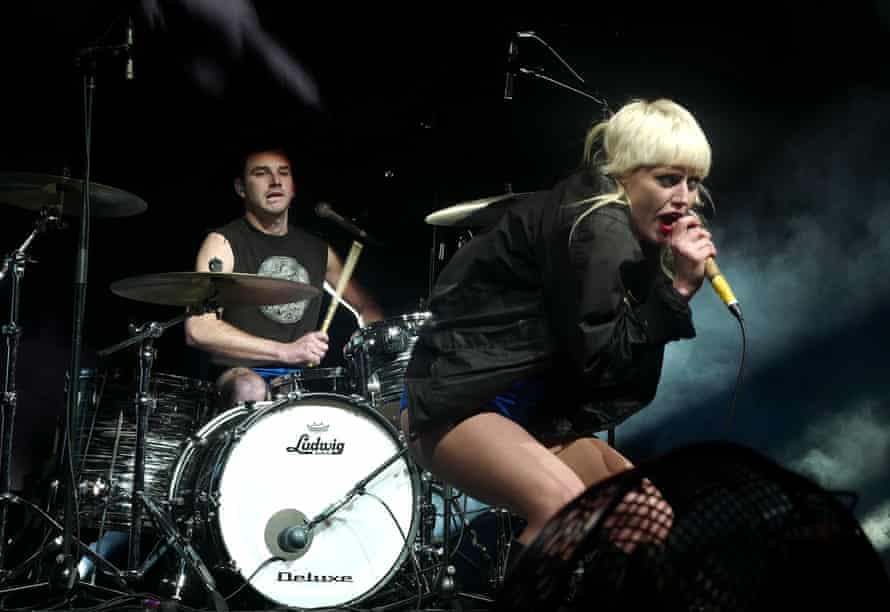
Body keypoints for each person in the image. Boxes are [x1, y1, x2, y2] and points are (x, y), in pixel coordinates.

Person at [401, 99, 717, 556]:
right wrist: (677, 293)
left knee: (644, 520)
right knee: (561, 510)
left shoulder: (626, 231)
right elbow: (602, 362)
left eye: (693, 183)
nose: (685, 198)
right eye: (667, 179)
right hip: (458, 404)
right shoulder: (597, 229)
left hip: (528, 418)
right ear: (623, 174)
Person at [185, 146, 384, 407]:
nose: (275, 181)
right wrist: (285, 351)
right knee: (249, 387)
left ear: (293, 187)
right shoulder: (223, 243)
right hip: (238, 374)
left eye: (283, 173)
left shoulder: (318, 250)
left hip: (301, 380)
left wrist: (370, 349)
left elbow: (367, 307)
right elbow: (199, 329)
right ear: (241, 188)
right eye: (261, 173)